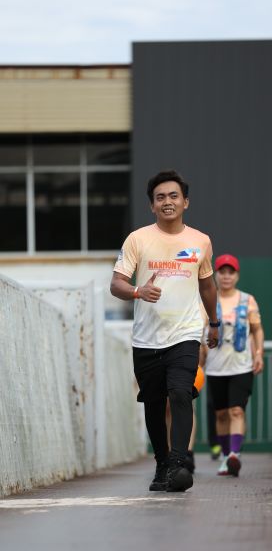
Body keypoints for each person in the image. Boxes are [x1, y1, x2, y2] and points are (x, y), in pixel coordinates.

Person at [110, 170, 219, 492]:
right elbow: (116, 284)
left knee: (181, 393)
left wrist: (214, 322)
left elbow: (207, 286)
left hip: (185, 333)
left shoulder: (200, 241)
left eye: (173, 196)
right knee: (155, 404)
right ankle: (161, 464)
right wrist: (137, 291)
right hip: (146, 338)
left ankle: (177, 463)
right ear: (152, 206)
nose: (167, 201)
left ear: (185, 202)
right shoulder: (137, 239)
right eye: (160, 197)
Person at [203, 254, 264, 477]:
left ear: (237, 276)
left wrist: (258, 354)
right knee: (221, 415)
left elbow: (257, 330)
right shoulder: (207, 300)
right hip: (215, 366)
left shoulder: (247, 300)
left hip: (241, 365)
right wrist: (198, 362)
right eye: (222, 272)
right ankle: (225, 456)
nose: (226, 276)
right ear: (216, 275)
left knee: (237, 411)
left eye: (231, 272)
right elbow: (200, 333)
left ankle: (234, 455)